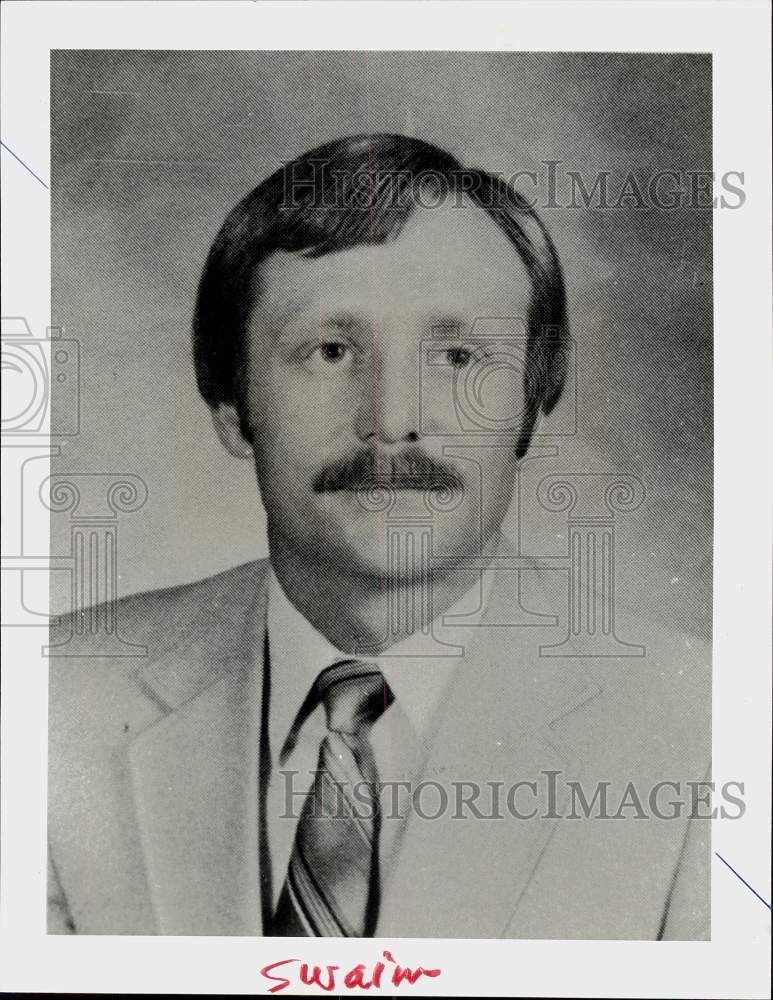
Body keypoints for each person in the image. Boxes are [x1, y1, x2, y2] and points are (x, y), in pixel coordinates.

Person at [47, 133, 710, 938]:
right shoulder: (50, 703)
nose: (393, 421)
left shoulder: (704, 728)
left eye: (459, 356)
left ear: (532, 404)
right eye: (330, 352)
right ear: (230, 406)